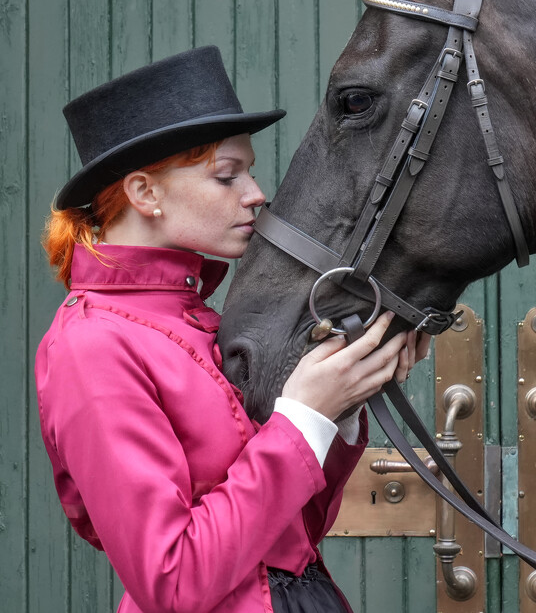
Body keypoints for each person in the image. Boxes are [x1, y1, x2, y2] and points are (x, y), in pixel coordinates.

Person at [36, 46, 427, 613]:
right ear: (145, 193)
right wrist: (302, 419)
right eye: (227, 175)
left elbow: (291, 540)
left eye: (249, 169)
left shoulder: (206, 322)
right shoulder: (90, 345)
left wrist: (339, 407)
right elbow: (172, 583)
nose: (256, 193)